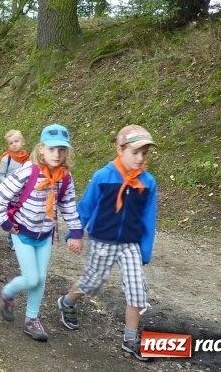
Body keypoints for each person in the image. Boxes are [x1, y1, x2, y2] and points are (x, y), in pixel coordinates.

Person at [56, 125, 158, 361]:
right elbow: (86, 207)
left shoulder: (148, 182)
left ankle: (130, 339)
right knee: (92, 283)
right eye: (135, 152)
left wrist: (145, 249)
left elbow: (148, 218)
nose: (140, 158)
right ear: (120, 149)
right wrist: (75, 233)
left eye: (145, 153)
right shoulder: (104, 176)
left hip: (130, 244)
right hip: (103, 240)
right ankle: (67, 301)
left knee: (137, 292)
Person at [0, 123, 84, 342]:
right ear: (41, 149)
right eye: (52, 149)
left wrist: (77, 233)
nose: (57, 154)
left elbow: (69, 206)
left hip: (44, 236)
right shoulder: (28, 172)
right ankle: (6, 293)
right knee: (31, 277)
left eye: (62, 150)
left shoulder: (65, 178)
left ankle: (31, 320)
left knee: (40, 279)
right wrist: (5, 223)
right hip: (22, 232)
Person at [0, 130, 31, 247]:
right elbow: (0, 175)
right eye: (11, 143)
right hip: (8, 193)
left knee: (17, 215)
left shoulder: (28, 159)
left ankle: (12, 240)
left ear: (23, 142)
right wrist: (10, 185)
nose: (14, 144)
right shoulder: (6, 159)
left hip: (21, 194)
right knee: (7, 213)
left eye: (16, 141)